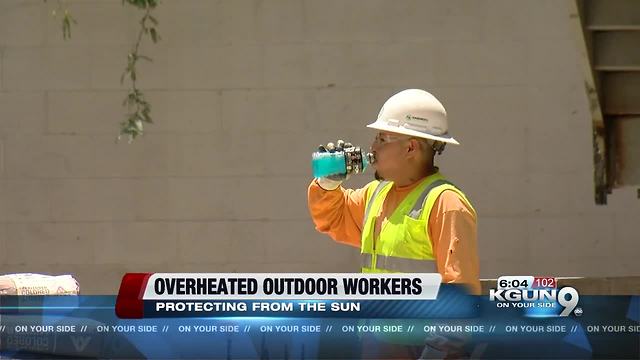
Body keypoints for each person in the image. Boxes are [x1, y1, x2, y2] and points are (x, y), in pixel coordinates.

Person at [307, 89, 480, 358]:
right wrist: (328, 183)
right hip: (376, 342)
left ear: (410, 147)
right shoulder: (377, 193)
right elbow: (334, 219)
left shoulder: (445, 203)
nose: (372, 148)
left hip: (419, 348)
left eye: (382, 138)